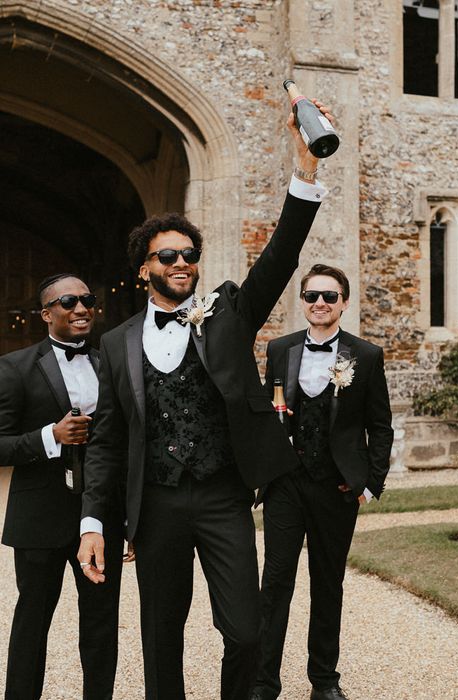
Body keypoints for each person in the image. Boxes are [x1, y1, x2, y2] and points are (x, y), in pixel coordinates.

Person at [77, 102, 330, 700]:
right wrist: (93, 521)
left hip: (222, 496)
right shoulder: (114, 346)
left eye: (189, 255)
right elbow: (108, 440)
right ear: (145, 270)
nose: (182, 264)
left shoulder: (227, 315)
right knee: (162, 639)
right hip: (156, 504)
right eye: (168, 256)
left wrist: (305, 166)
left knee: (245, 632)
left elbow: (281, 257)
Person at [251, 264, 394, 700]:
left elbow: (380, 425)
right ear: (303, 301)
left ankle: (324, 682)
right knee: (275, 584)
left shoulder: (365, 356)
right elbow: (266, 411)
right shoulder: (280, 349)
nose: (320, 303)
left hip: (336, 487)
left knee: (328, 583)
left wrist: (369, 482)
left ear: (344, 303)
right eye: (312, 295)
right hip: (286, 485)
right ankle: (263, 683)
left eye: (329, 297)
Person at [0, 274, 125, 700]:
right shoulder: (15, 367)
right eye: (68, 301)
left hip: (101, 514)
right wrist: (50, 436)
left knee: (101, 623)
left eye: (87, 300)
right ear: (46, 314)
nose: (80, 308)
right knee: (32, 622)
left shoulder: (111, 362)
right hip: (39, 516)